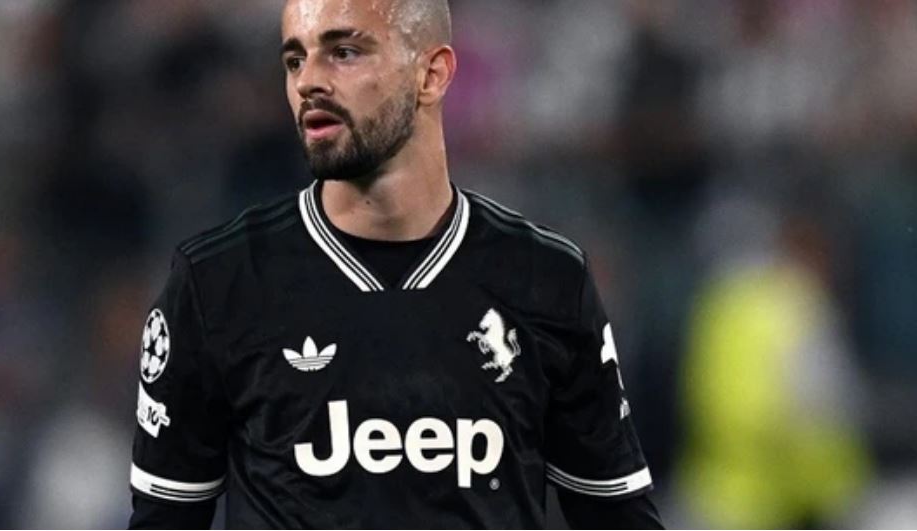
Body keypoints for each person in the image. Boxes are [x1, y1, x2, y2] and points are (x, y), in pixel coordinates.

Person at [128, 0, 663, 527]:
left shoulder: (546, 281)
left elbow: (618, 519)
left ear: (432, 74)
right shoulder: (217, 284)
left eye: (344, 52)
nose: (309, 81)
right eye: (295, 59)